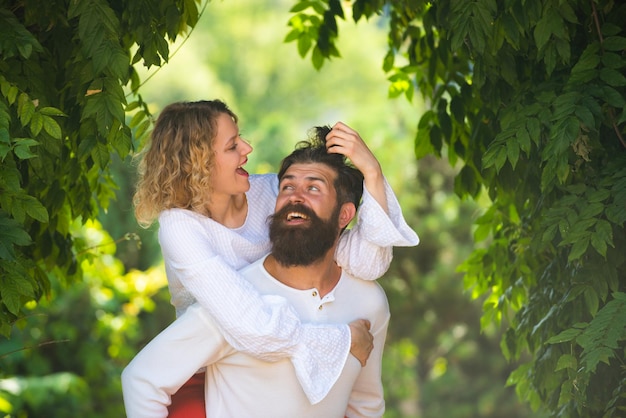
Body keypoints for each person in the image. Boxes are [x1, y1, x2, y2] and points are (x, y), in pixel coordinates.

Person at [128, 100, 419, 416]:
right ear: (200, 164)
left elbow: (361, 261)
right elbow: (250, 326)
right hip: (201, 367)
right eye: (232, 146)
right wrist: (341, 339)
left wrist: (372, 172)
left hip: (270, 339)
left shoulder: (271, 194)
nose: (247, 148)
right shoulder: (180, 228)